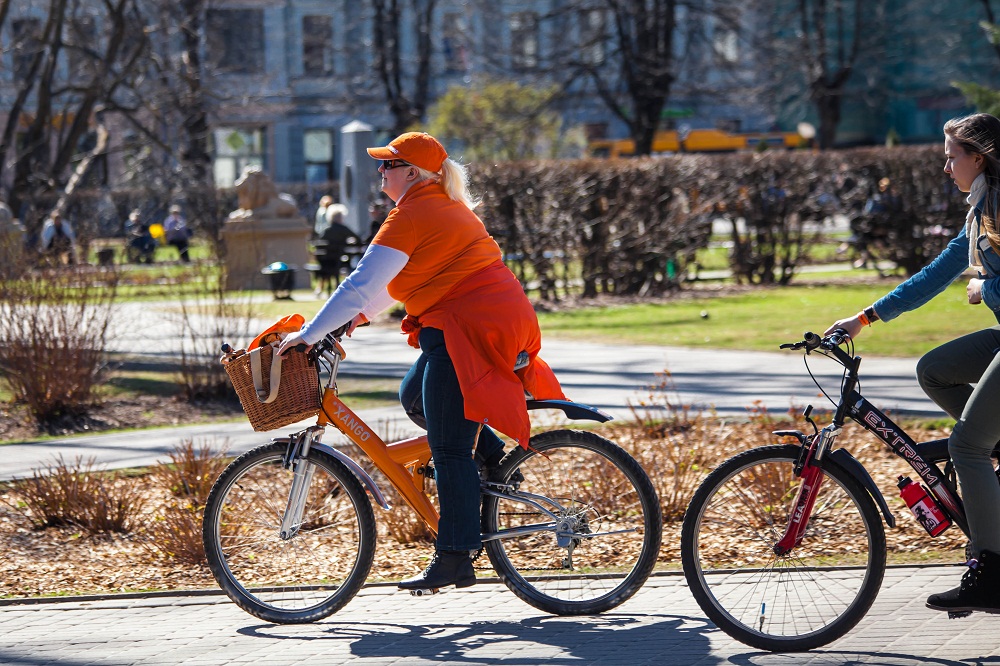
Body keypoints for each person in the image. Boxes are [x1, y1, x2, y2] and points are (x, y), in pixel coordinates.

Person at [277, 131, 565, 591]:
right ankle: (492, 459)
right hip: (478, 320)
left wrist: (310, 334)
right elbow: (382, 285)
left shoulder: (414, 212)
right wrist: (356, 318)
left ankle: (454, 558)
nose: (381, 173)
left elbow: (359, 282)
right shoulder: (435, 206)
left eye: (388, 165)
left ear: (412, 172)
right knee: (415, 398)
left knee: (450, 450)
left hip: (468, 328)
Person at [824, 113, 1000, 614]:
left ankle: (991, 575)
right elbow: (936, 273)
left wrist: (984, 287)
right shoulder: (980, 211)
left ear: (978, 158)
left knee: (967, 448)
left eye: (951, 157)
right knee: (934, 370)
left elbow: (976, 281)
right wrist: (866, 317)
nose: (946, 167)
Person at [312, 203, 359, 295]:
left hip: (327, 261)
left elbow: (319, 243)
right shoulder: (344, 229)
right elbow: (357, 239)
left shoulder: (326, 230)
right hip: (340, 259)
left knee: (327, 265)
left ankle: (322, 288)